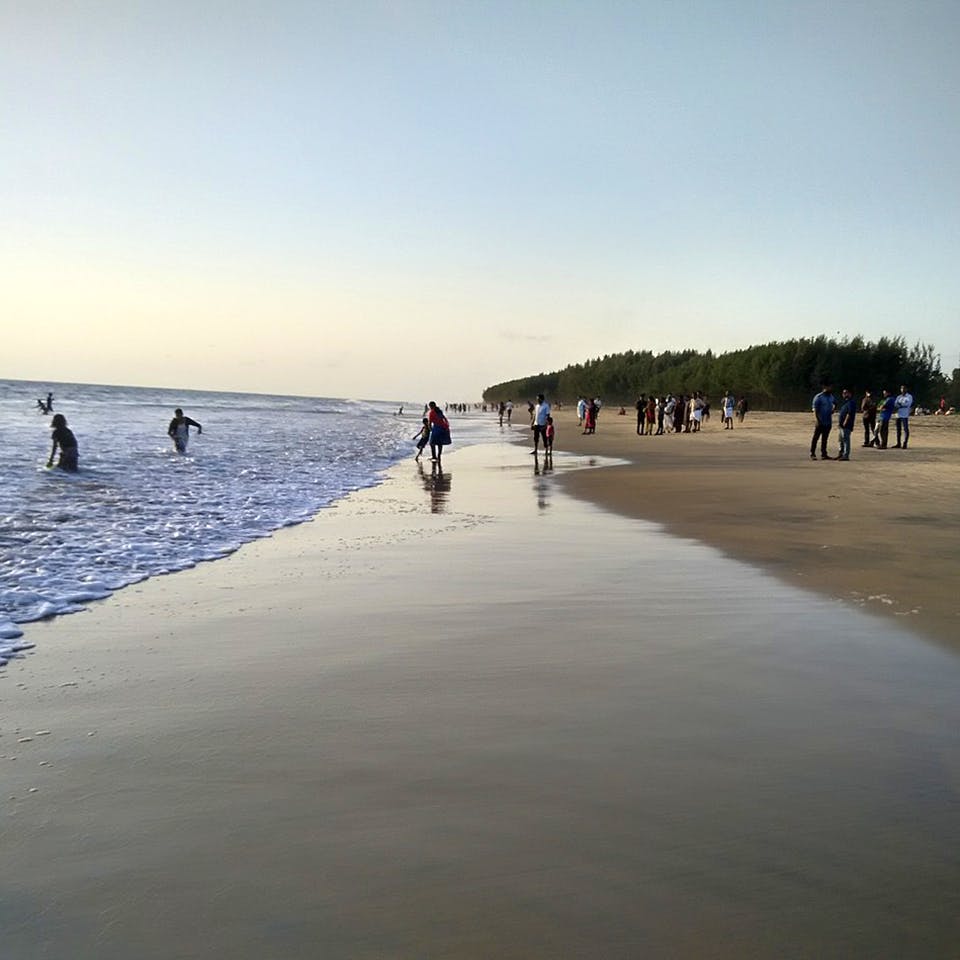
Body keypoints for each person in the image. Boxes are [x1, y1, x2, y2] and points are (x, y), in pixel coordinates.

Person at [810, 383, 835, 460]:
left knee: (825, 439)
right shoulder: (818, 397)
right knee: (816, 438)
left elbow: (834, 404)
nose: (830, 388)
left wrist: (833, 409)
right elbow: (814, 410)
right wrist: (817, 420)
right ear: (824, 387)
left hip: (828, 421)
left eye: (831, 387)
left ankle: (824, 454)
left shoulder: (831, 397)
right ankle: (812, 453)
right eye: (829, 387)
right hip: (820, 421)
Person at [836, 388, 856, 461]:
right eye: (843, 393)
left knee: (845, 440)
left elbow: (849, 413)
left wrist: (845, 422)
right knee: (840, 440)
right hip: (841, 425)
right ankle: (840, 454)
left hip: (846, 425)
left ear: (850, 394)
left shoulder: (851, 402)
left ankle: (845, 455)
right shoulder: (846, 402)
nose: (843, 394)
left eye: (845, 393)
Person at [894, 384, 913, 449]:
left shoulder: (909, 396)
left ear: (906, 389)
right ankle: (898, 443)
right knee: (898, 429)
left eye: (904, 388)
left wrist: (900, 405)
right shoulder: (899, 397)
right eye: (901, 388)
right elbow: (895, 404)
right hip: (898, 415)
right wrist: (900, 405)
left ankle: (905, 443)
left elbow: (908, 404)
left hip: (904, 415)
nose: (903, 390)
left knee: (905, 429)